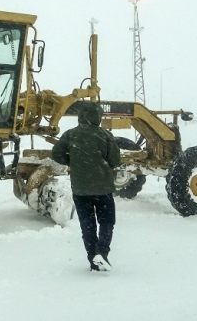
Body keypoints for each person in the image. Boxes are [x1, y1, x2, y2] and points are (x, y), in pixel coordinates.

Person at [51, 101, 121, 272]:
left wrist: (72, 160)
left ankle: (93, 260)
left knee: (87, 225)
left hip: (80, 189)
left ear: (80, 116)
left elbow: (56, 154)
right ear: (98, 116)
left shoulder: (70, 135)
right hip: (103, 188)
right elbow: (115, 161)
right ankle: (102, 253)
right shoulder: (105, 135)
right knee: (106, 222)